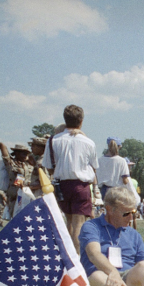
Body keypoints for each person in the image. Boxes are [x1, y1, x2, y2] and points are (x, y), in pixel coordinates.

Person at [43, 105, 101, 252]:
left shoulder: (53, 141)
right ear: (81, 121)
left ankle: (66, 254)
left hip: (61, 185)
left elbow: (49, 167)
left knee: (68, 222)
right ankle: (77, 258)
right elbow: (94, 166)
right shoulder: (88, 142)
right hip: (80, 185)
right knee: (78, 223)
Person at [0, 142, 34, 217]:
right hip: (14, 196)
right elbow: (2, 145)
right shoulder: (11, 163)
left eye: (26, 154)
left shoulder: (27, 165)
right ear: (17, 153)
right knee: (15, 217)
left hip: (26, 195)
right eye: (23, 154)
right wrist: (12, 152)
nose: (26, 156)